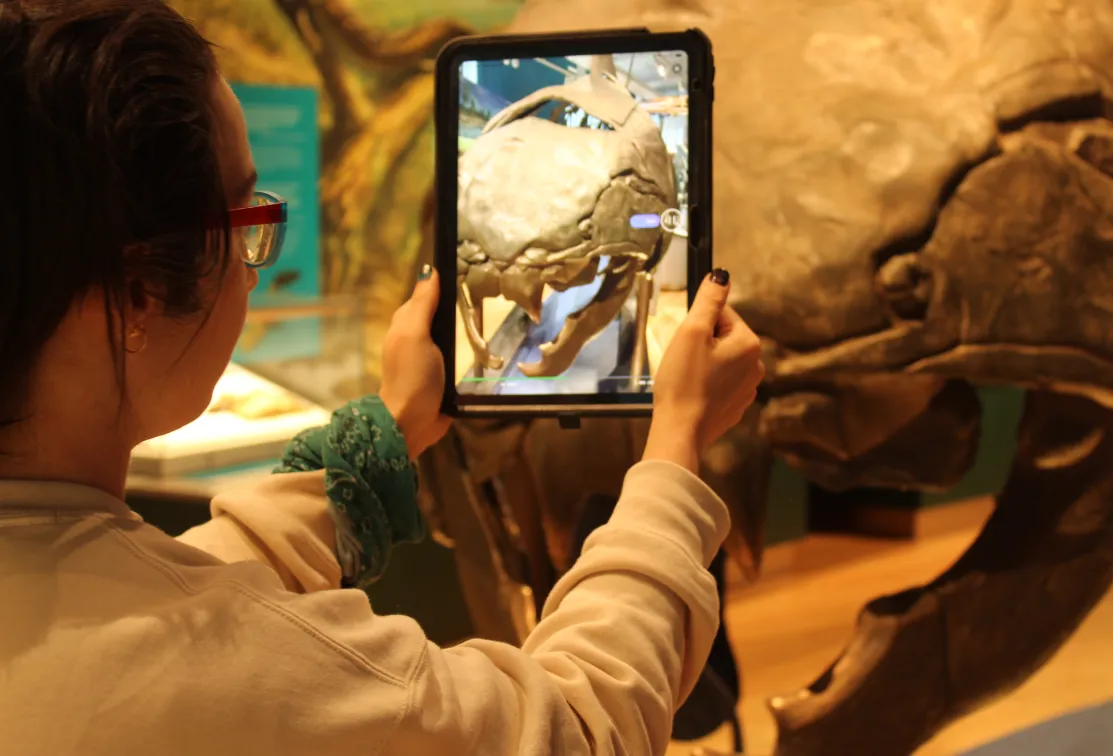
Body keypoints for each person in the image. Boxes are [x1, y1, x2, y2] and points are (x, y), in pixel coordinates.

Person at [0, 1, 765, 754]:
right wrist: (674, 446)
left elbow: (169, 588)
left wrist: (387, 431)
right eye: (245, 221)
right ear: (143, 293)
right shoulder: (262, 668)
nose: (251, 268)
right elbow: (583, 730)